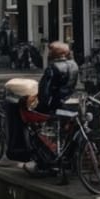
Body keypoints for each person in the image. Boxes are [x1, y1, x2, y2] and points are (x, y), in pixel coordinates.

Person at [22, 42, 80, 172]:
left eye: (49, 52)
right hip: (71, 104)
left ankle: (42, 162)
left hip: (56, 105)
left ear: (54, 54)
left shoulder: (53, 68)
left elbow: (45, 92)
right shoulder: (74, 65)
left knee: (32, 122)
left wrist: (38, 106)